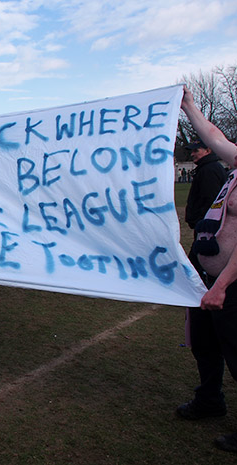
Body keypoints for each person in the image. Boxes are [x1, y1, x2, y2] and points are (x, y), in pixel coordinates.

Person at [179, 86, 237, 453]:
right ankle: (209, 399)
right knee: (204, 344)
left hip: (230, 285)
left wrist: (222, 286)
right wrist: (189, 106)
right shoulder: (234, 165)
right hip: (208, 279)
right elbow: (216, 138)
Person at [184, 140, 227, 275]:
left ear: (208, 150)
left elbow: (211, 200)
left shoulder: (208, 170)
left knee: (196, 265)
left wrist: (201, 222)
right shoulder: (208, 168)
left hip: (207, 227)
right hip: (206, 225)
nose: (192, 154)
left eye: (196, 150)